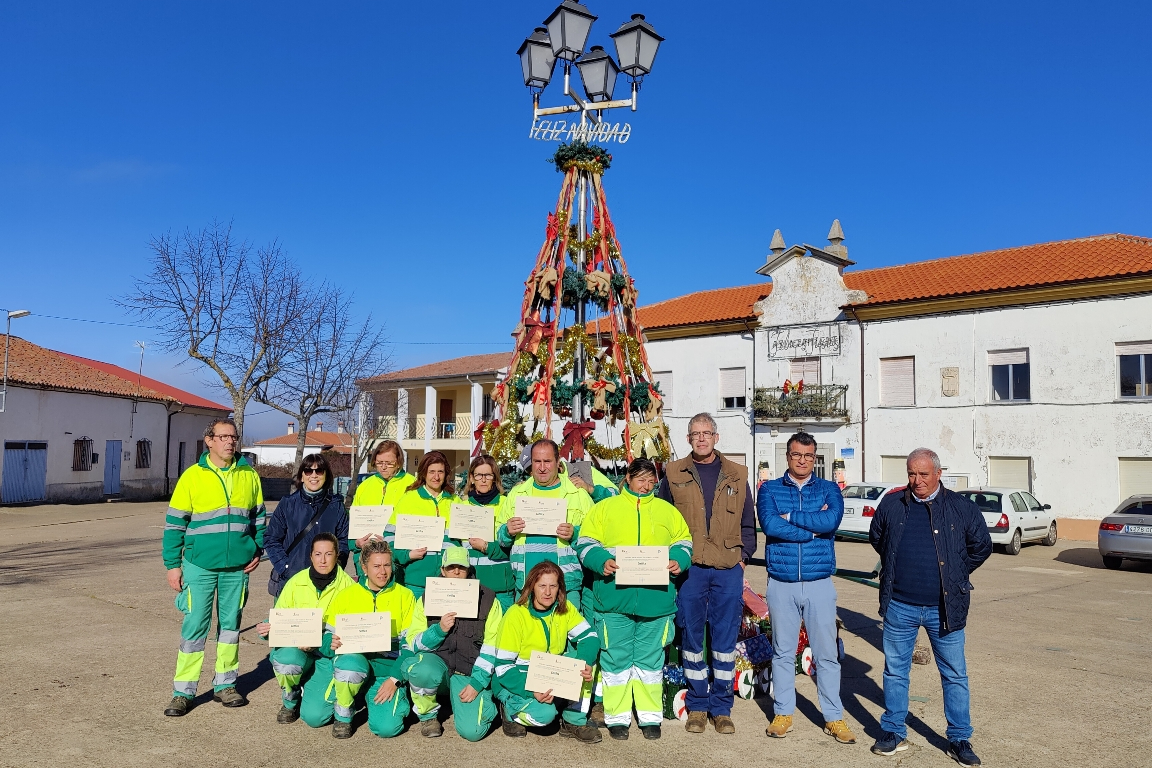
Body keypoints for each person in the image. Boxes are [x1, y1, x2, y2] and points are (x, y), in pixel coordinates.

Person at [868, 448, 992, 767]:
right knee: (895, 671)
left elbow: (982, 546)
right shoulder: (892, 505)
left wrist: (956, 573)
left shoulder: (961, 507)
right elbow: (878, 538)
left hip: (945, 608)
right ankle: (894, 732)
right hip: (899, 606)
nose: (917, 480)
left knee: (954, 674)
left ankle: (959, 738)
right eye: (912, 474)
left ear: (938, 473)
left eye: (924, 474)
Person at [575, 457, 693, 740]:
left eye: (651, 481)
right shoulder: (604, 509)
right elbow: (585, 543)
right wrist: (600, 561)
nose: (646, 486)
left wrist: (679, 559)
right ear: (627, 478)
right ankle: (617, 717)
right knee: (615, 659)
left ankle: (650, 717)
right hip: (614, 599)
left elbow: (684, 541)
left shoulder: (667, 511)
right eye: (640, 479)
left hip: (656, 602)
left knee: (650, 661)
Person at [656, 413, 756, 735]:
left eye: (706, 433)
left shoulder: (738, 474)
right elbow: (662, 519)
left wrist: (743, 558)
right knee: (692, 637)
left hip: (728, 569)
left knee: (725, 640)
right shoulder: (673, 473)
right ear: (688, 439)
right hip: (692, 570)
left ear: (716, 437)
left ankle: (722, 708)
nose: (701, 438)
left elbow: (748, 522)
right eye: (695, 433)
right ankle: (698, 705)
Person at [756, 431, 856, 744]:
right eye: (797, 455)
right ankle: (783, 713)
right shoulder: (769, 489)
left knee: (827, 654)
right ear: (788, 456)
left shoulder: (829, 489)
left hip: (819, 583)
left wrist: (791, 517)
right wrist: (810, 532)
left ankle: (834, 717)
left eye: (809, 455)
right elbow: (770, 525)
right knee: (783, 653)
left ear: (815, 458)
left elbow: (831, 522)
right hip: (781, 583)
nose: (802, 460)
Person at [162, 418, 265, 716]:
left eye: (233, 437)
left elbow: (259, 517)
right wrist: (173, 565)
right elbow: (174, 524)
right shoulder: (192, 476)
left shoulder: (249, 475)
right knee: (195, 627)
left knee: (230, 628)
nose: (230, 442)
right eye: (223, 437)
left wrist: (256, 549)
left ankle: (226, 685)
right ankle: (183, 692)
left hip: (237, 568)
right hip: (199, 566)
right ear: (209, 441)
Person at [488, 561, 601, 743]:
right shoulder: (515, 615)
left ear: (559, 588)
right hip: (517, 678)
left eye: (553, 586)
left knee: (587, 662)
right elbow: (503, 666)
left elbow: (590, 637)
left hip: (549, 674)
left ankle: (573, 720)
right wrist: (532, 691)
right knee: (545, 716)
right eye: (542, 586)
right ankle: (510, 710)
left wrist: (585, 660)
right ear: (532, 586)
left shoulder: (564, 608)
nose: (547, 592)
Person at [400, 546, 504, 740]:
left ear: (469, 569)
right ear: (442, 570)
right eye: (451, 567)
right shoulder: (427, 597)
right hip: (437, 668)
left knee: (472, 732)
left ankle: (485, 702)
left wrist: (477, 682)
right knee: (421, 669)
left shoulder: (489, 599)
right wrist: (438, 630)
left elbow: (493, 646)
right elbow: (412, 642)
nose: (456, 572)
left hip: (468, 672)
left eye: (461, 567)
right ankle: (428, 716)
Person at [256, 533, 354, 726]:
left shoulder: (349, 586)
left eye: (328, 554)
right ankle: (290, 697)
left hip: (328, 658)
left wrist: (318, 641)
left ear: (337, 556)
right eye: (318, 554)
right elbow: (281, 617)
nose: (323, 560)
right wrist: (267, 629)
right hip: (298, 650)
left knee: (315, 718)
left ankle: (313, 684)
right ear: (310, 556)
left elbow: (349, 634)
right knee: (286, 661)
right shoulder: (295, 582)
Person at [326, 539, 419, 739]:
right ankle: (343, 714)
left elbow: (411, 644)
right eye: (376, 566)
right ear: (364, 568)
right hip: (355, 663)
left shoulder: (406, 596)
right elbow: (328, 634)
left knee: (387, 729)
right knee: (348, 667)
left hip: (387, 670)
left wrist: (395, 679)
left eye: (387, 565)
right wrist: (329, 642)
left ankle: (373, 694)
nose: (383, 572)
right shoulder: (346, 595)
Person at [496, 439, 593, 608]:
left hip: (566, 586)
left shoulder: (577, 495)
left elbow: (594, 538)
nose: (542, 467)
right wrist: (507, 531)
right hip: (526, 584)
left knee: (568, 626)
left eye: (547, 461)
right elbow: (500, 537)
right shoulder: (517, 494)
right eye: (537, 461)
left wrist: (575, 534)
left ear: (557, 462)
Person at [263, 454, 349, 599]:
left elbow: (343, 541)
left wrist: (337, 565)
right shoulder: (287, 504)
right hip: (291, 581)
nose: (313, 475)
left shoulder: (336, 506)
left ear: (326, 475)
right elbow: (271, 539)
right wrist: (285, 567)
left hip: (327, 584)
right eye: (308, 471)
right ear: (302, 476)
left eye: (319, 471)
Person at [387, 451, 458, 599]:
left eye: (440, 472)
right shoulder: (409, 499)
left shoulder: (455, 501)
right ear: (423, 473)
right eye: (431, 472)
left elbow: (462, 541)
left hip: (448, 581)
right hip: (415, 582)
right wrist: (407, 555)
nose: (436, 477)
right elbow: (389, 537)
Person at [350, 440, 415, 580]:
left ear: (399, 462)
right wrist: (356, 543)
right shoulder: (365, 486)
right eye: (379, 463)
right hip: (366, 558)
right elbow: (353, 526)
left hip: (398, 560)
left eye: (389, 463)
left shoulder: (412, 485)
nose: (383, 467)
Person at [460, 455, 517, 610]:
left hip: (501, 586)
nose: (483, 480)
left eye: (488, 475)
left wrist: (487, 547)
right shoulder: (462, 507)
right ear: (471, 478)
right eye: (479, 475)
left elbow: (514, 546)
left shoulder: (506, 504)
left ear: (495, 478)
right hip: (471, 585)